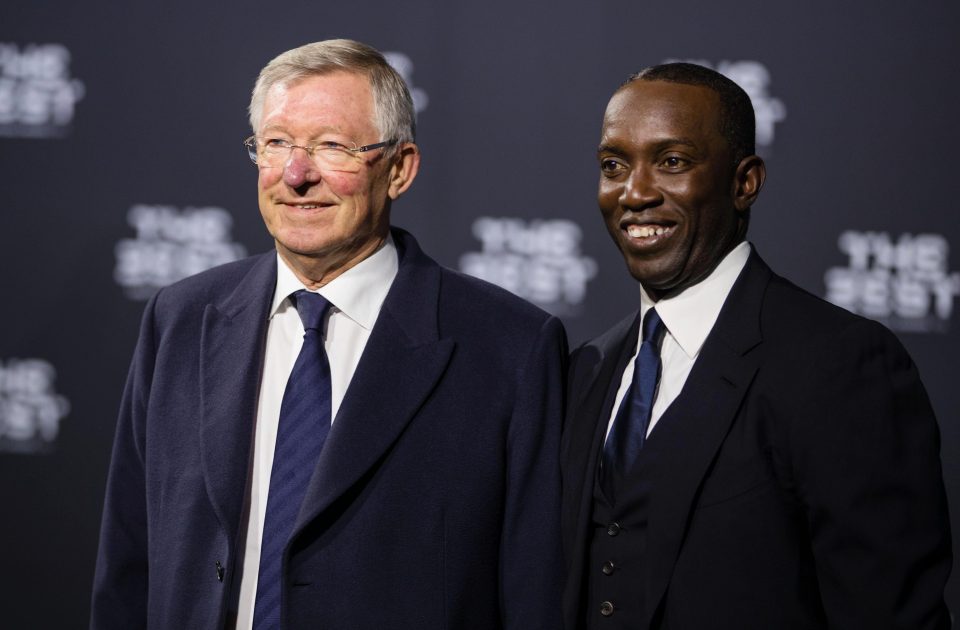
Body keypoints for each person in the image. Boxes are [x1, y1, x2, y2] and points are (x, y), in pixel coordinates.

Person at [91, 39, 566, 629]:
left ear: (399, 169)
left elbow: (533, 592)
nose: (296, 174)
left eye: (332, 147)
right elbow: (128, 563)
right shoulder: (181, 320)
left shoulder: (508, 347)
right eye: (277, 144)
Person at [560, 62, 952, 629]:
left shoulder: (840, 363)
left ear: (744, 182)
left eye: (672, 162)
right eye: (613, 166)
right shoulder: (587, 368)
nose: (635, 192)